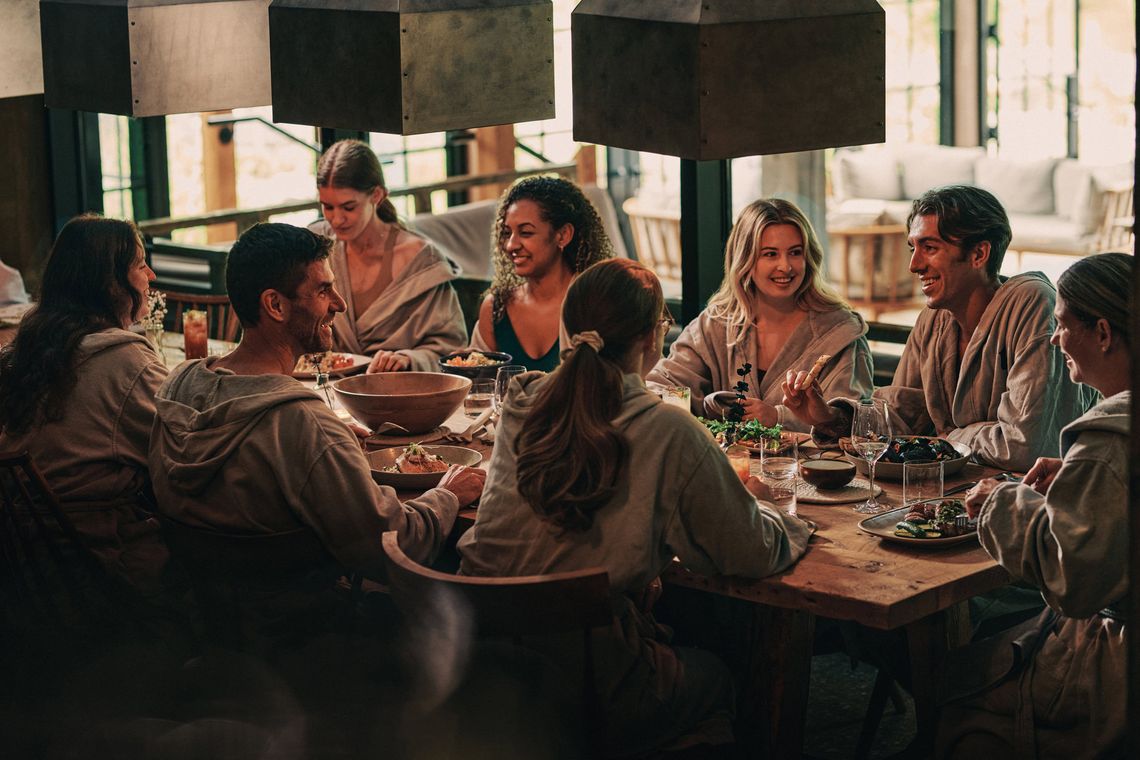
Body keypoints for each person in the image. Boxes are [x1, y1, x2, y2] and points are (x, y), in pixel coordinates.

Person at [458, 258, 812, 756]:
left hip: (482, 669)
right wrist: (783, 514)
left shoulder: (525, 402)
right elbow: (749, 554)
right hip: (583, 682)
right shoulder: (667, 429)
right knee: (719, 674)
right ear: (651, 338)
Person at [149, 224, 485, 614]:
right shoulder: (303, 424)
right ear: (275, 305)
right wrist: (447, 495)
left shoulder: (177, 388)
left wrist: (331, 447)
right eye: (324, 290)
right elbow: (391, 547)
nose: (339, 303)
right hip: (306, 633)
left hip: (209, 620)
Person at [935, 253, 1130, 757]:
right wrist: (1079, 483)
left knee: (954, 685)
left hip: (1116, 665)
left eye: (1062, 325)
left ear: (1103, 333)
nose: (1052, 338)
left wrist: (1000, 499)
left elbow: (1074, 580)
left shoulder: (1107, 440)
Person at [783, 185, 1094, 471]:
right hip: (962, 491)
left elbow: (1024, 446)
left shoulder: (1032, 305)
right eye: (912, 248)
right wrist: (830, 418)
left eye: (930, 248)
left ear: (979, 254)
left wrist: (949, 439)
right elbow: (904, 417)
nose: (914, 265)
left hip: (1040, 502)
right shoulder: (934, 320)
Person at [0, 214, 169, 594]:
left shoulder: (28, 347)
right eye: (141, 265)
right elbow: (180, 455)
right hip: (101, 570)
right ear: (112, 283)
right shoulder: (125, 361)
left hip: (28, 573)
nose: (151, 276)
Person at [647, 198, 873, 429]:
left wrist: (779, 418)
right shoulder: (717, 322)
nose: (785, 266)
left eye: (795, 252)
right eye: (770, 254)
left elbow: (859, 421)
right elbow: (663, 385)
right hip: (730, 464)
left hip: (813, 465)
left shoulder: (841, 331)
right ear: (745, 259)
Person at [312, 138, 466, 372]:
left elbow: (452, 348)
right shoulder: (321, 251)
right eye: (328, 207)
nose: (336, 219)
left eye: (348, 207)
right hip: (331, 390)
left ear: (377, 195)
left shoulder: (418, 259)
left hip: (400, 392)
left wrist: (407, 359)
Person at [470, 175, 615, 371]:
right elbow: (479, 387)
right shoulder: (495, 308)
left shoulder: (595, 304)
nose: (511, 245)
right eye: (506, 233)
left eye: (526, 233)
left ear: (562, 235)